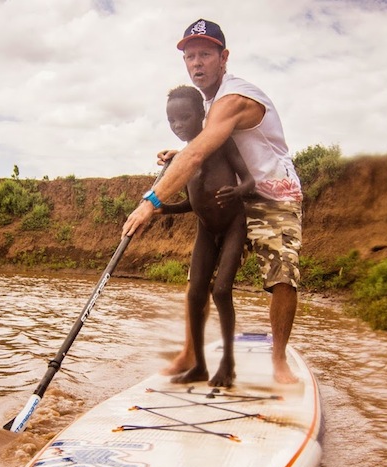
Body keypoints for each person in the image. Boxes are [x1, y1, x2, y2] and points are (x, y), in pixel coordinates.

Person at [123, 18, 304, 384]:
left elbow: (199, 153)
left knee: (282, 274)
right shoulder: (206, 104)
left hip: (273, 194)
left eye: (205, 54)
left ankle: (279, 361)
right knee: (198, 280)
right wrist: (178, 152)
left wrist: (151, 201)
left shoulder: (233, 98)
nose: (196, 63)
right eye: (190, 57)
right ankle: (191, 352)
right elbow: (204, 146)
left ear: (224, 57)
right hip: (232, 200)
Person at [156, 84, 255, 387]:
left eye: (184, 118)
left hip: (232, 225)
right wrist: (166, 210)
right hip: (205, 229)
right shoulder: (184, 159)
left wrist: (237, 190)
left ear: (202, 114)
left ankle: (228, 365)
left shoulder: (220, 143)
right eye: (172, 121)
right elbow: (193, 202)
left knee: (221, 291)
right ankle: (198, 365)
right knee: (195, 294)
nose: (178, 125)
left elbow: (249, 180)